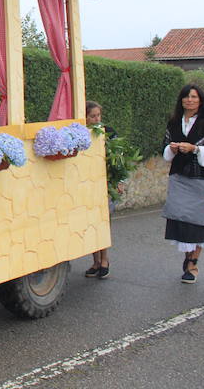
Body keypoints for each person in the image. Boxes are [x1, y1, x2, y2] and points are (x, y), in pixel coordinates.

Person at [161, 84, 204, 284]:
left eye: (194, 97)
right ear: (181, 100)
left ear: (200, 101)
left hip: (202, 179)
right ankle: (187, 258)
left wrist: (195, 148)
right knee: (182, 220)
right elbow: (165, 150)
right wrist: (173, 149)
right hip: (179, 177)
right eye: (186, 97)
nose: (190, 100)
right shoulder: (174, 123)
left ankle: (192, 263)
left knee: (200, 222)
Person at [84, 100, 116, 279]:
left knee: (103, 222)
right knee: (90, 223)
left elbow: (118, 160)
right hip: (88, 186)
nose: (96, 119)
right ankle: (95, 261)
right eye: (92, 116)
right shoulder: (81, 134)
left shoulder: (108, 132)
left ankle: (105, 259)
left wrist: (119, 181)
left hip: (105, 185)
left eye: (98, 115)